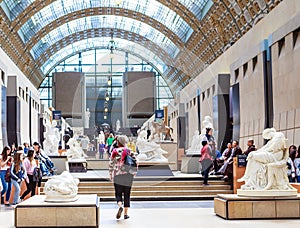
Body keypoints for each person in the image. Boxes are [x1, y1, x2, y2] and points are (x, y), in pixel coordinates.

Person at [109, 135, 136, 220]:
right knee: (127, 194)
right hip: (128, 175)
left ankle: (120, 205)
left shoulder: (114, 151)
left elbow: (111, 164)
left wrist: (110, 174)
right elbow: (135, 161)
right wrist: (134, 172)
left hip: (118, 175)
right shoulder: (128, 150)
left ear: (118, 142)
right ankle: (125, 214)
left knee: (118, 193)